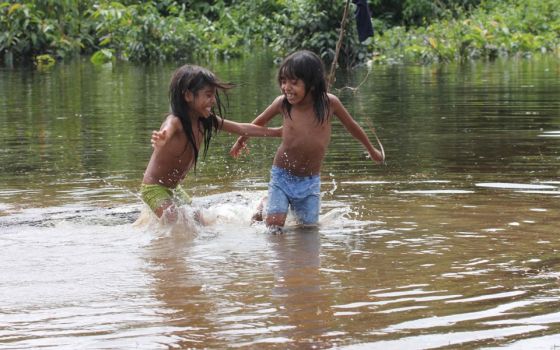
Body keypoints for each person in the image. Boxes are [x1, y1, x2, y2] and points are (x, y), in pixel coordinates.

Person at [230, 50, 384, 232]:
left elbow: (352, 126)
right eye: (283, 81)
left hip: (310, 181)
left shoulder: (329, 103)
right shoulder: (282, 103)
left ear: (311, 83)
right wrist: (241, 140)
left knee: (308, 230)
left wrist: (372, 150)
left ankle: (268, 203)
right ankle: (265, 205)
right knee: (273, 228)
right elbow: (259, 121)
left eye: (293, 83)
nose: (286, 87)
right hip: (282, 175)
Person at [142, 64, 282, 224]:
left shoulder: (206, 121)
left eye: (214, 95)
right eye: (208, 95)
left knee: (200, 223)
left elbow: (242, 128)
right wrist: (162, 137)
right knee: (179, 225)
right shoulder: (176, 122)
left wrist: (277, 132)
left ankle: (259, 208)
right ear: (188, 96)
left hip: (174, 189)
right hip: (154, 188)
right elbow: (167, 129)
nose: (213, 101)